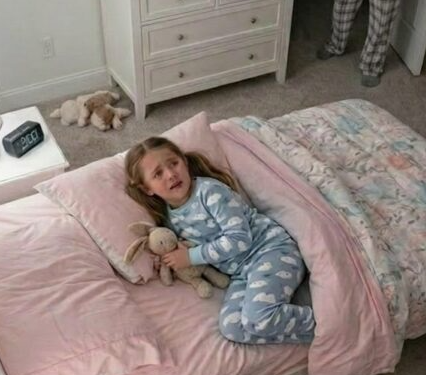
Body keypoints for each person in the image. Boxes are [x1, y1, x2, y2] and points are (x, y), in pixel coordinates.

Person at [125, 137, 316, 345]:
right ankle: (313, 334)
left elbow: (239, 239)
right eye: (158, 174)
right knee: (232, 328)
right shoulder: (170, 219)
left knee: (258, 318)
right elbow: (181, 248)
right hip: (241, 273)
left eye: (174, 163)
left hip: (271, 251)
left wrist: (191, 256)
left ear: (184, 162)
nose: (171, 174)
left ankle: (324, 322)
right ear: (147, 188)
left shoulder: (210, 192)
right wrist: (167, 259)